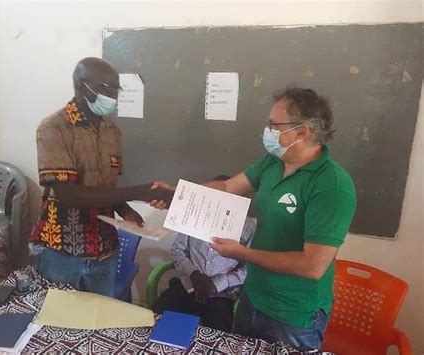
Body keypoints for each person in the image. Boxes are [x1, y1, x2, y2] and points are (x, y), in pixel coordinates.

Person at [150, 87, 357, 350]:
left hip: (292, 314)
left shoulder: (332, 186)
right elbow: (226, 188)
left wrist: (243, 253)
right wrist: (177, 193)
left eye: (274, 124)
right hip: (253, 298)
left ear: (302, 132)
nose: (267, 131)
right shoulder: (273, 162)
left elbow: (312, 265)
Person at [29, 57, 173, 298]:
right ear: (80, 85)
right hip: (62, 251)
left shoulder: (111, 132)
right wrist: (138, 192)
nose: (112, 96)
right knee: (59, 326)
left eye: (115, 89)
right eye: (104, 88)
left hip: (105, 249)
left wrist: (124, 208)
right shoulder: (53, 128)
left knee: (99, 324)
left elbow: (106, 187)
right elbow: (68, 195)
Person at [153, 175, 256, 332]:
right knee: (160, 317)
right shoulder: (195, 217)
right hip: (188, 286)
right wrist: (194, 275)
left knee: (217, 330)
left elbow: (250, 268)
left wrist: (216, 284)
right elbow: (177, 249)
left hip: (222, 295)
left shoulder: (248, 227)